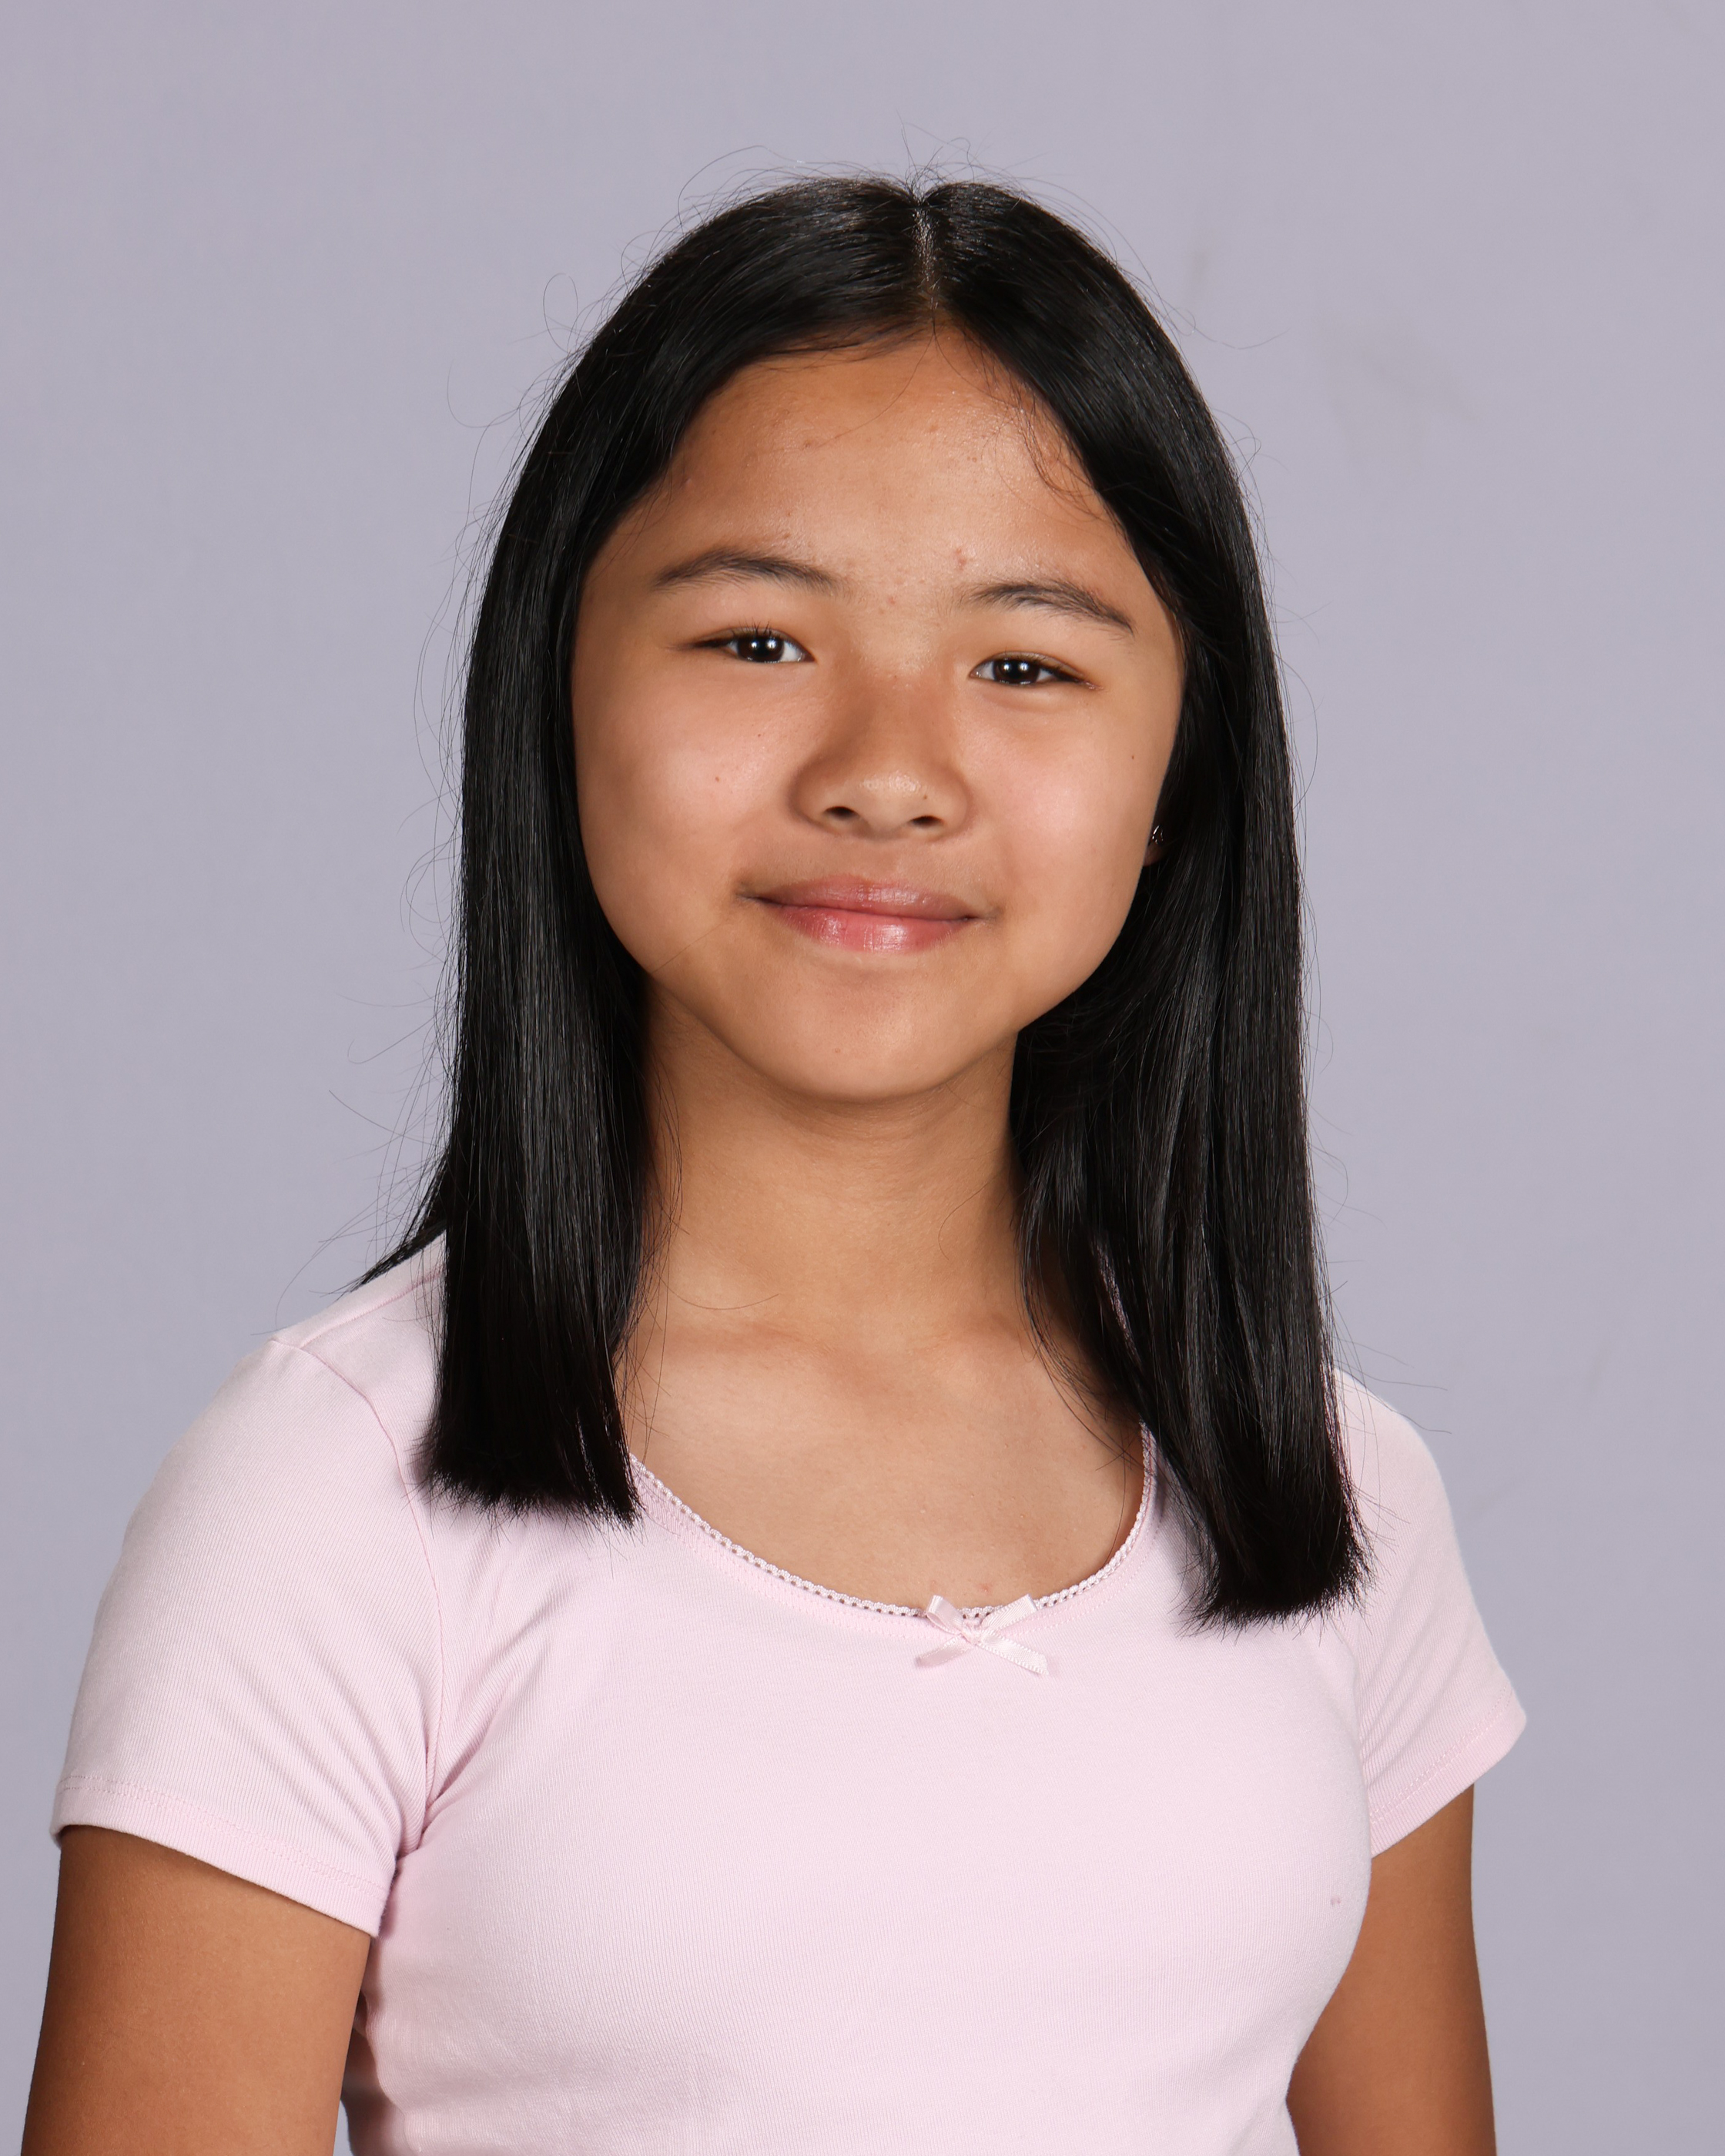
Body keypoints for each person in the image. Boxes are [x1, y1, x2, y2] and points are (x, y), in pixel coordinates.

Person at [23, 176, 1523, 2156]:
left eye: (1023, 664)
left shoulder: (1321, 1490)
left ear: (1184, 773)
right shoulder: (341, 1496)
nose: (886, 769)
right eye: (757, 637)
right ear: (560, 695)